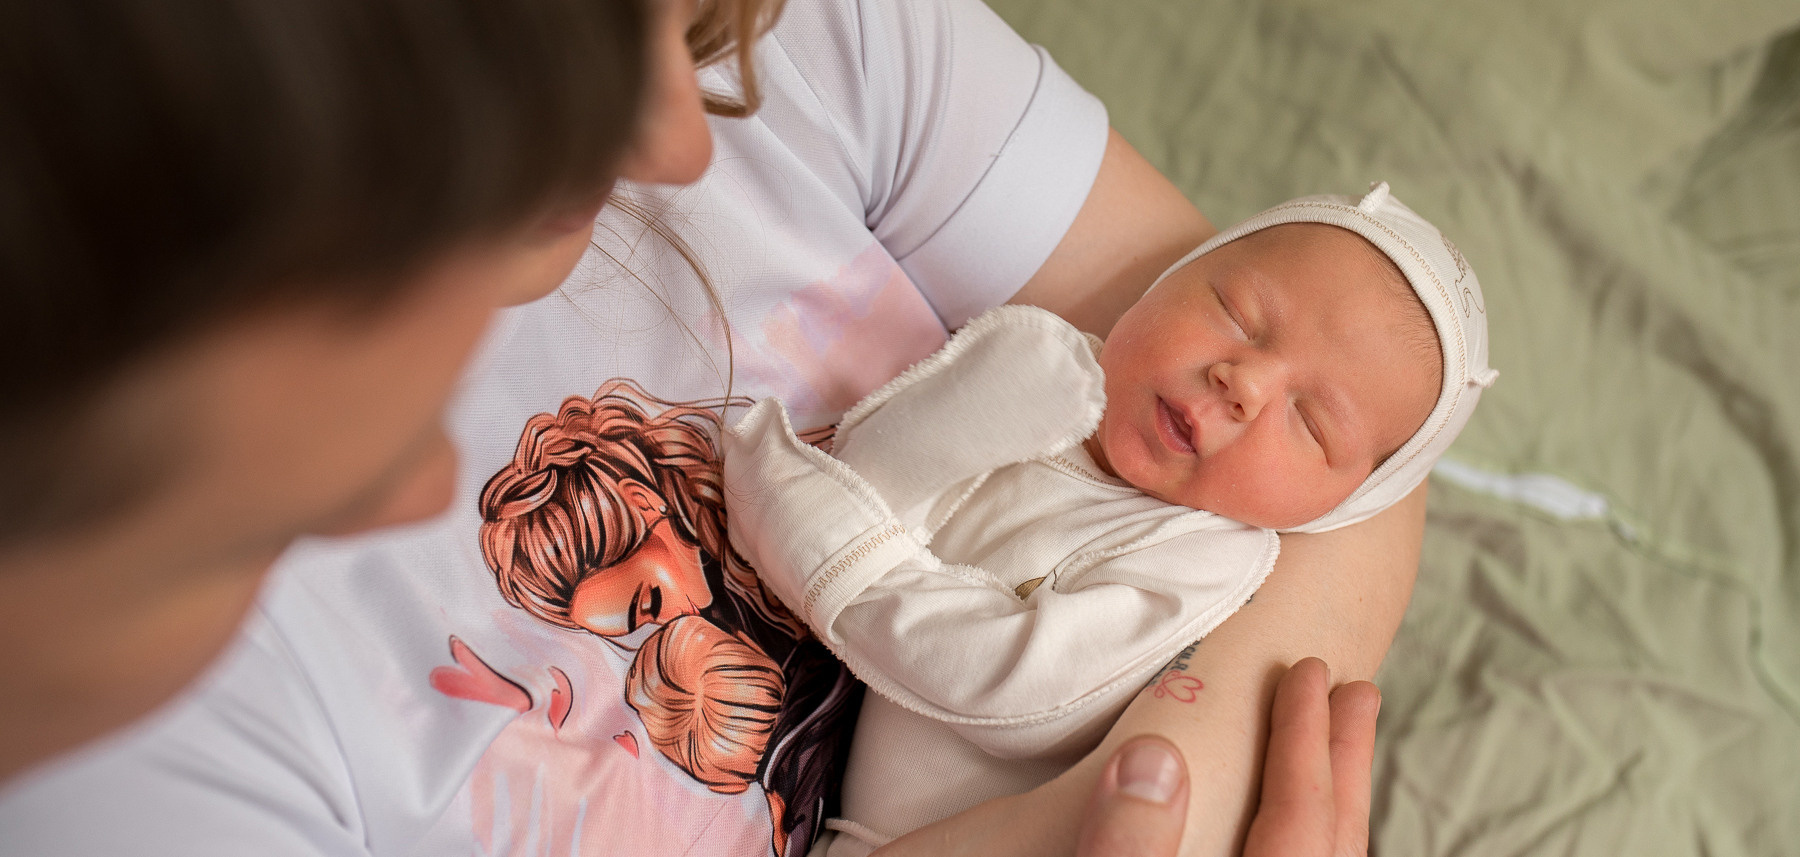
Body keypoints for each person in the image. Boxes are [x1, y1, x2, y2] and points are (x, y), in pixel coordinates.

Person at [0, 0, 1427, 854]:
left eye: (701, 30)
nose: (685, 136)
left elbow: (1362, 428)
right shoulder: (127, 687)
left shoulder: (800, 43)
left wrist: (1149, 793)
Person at [723, 185, 1494, 855]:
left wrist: (844, 565)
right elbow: (881, 475)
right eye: (1237, 312)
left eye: (1311, 422)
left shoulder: (1206, 558)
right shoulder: (1046, 367)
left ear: (1335, 510)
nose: (1246, 382)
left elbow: (1021, 685)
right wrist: (900, 456)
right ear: (1170, 278)